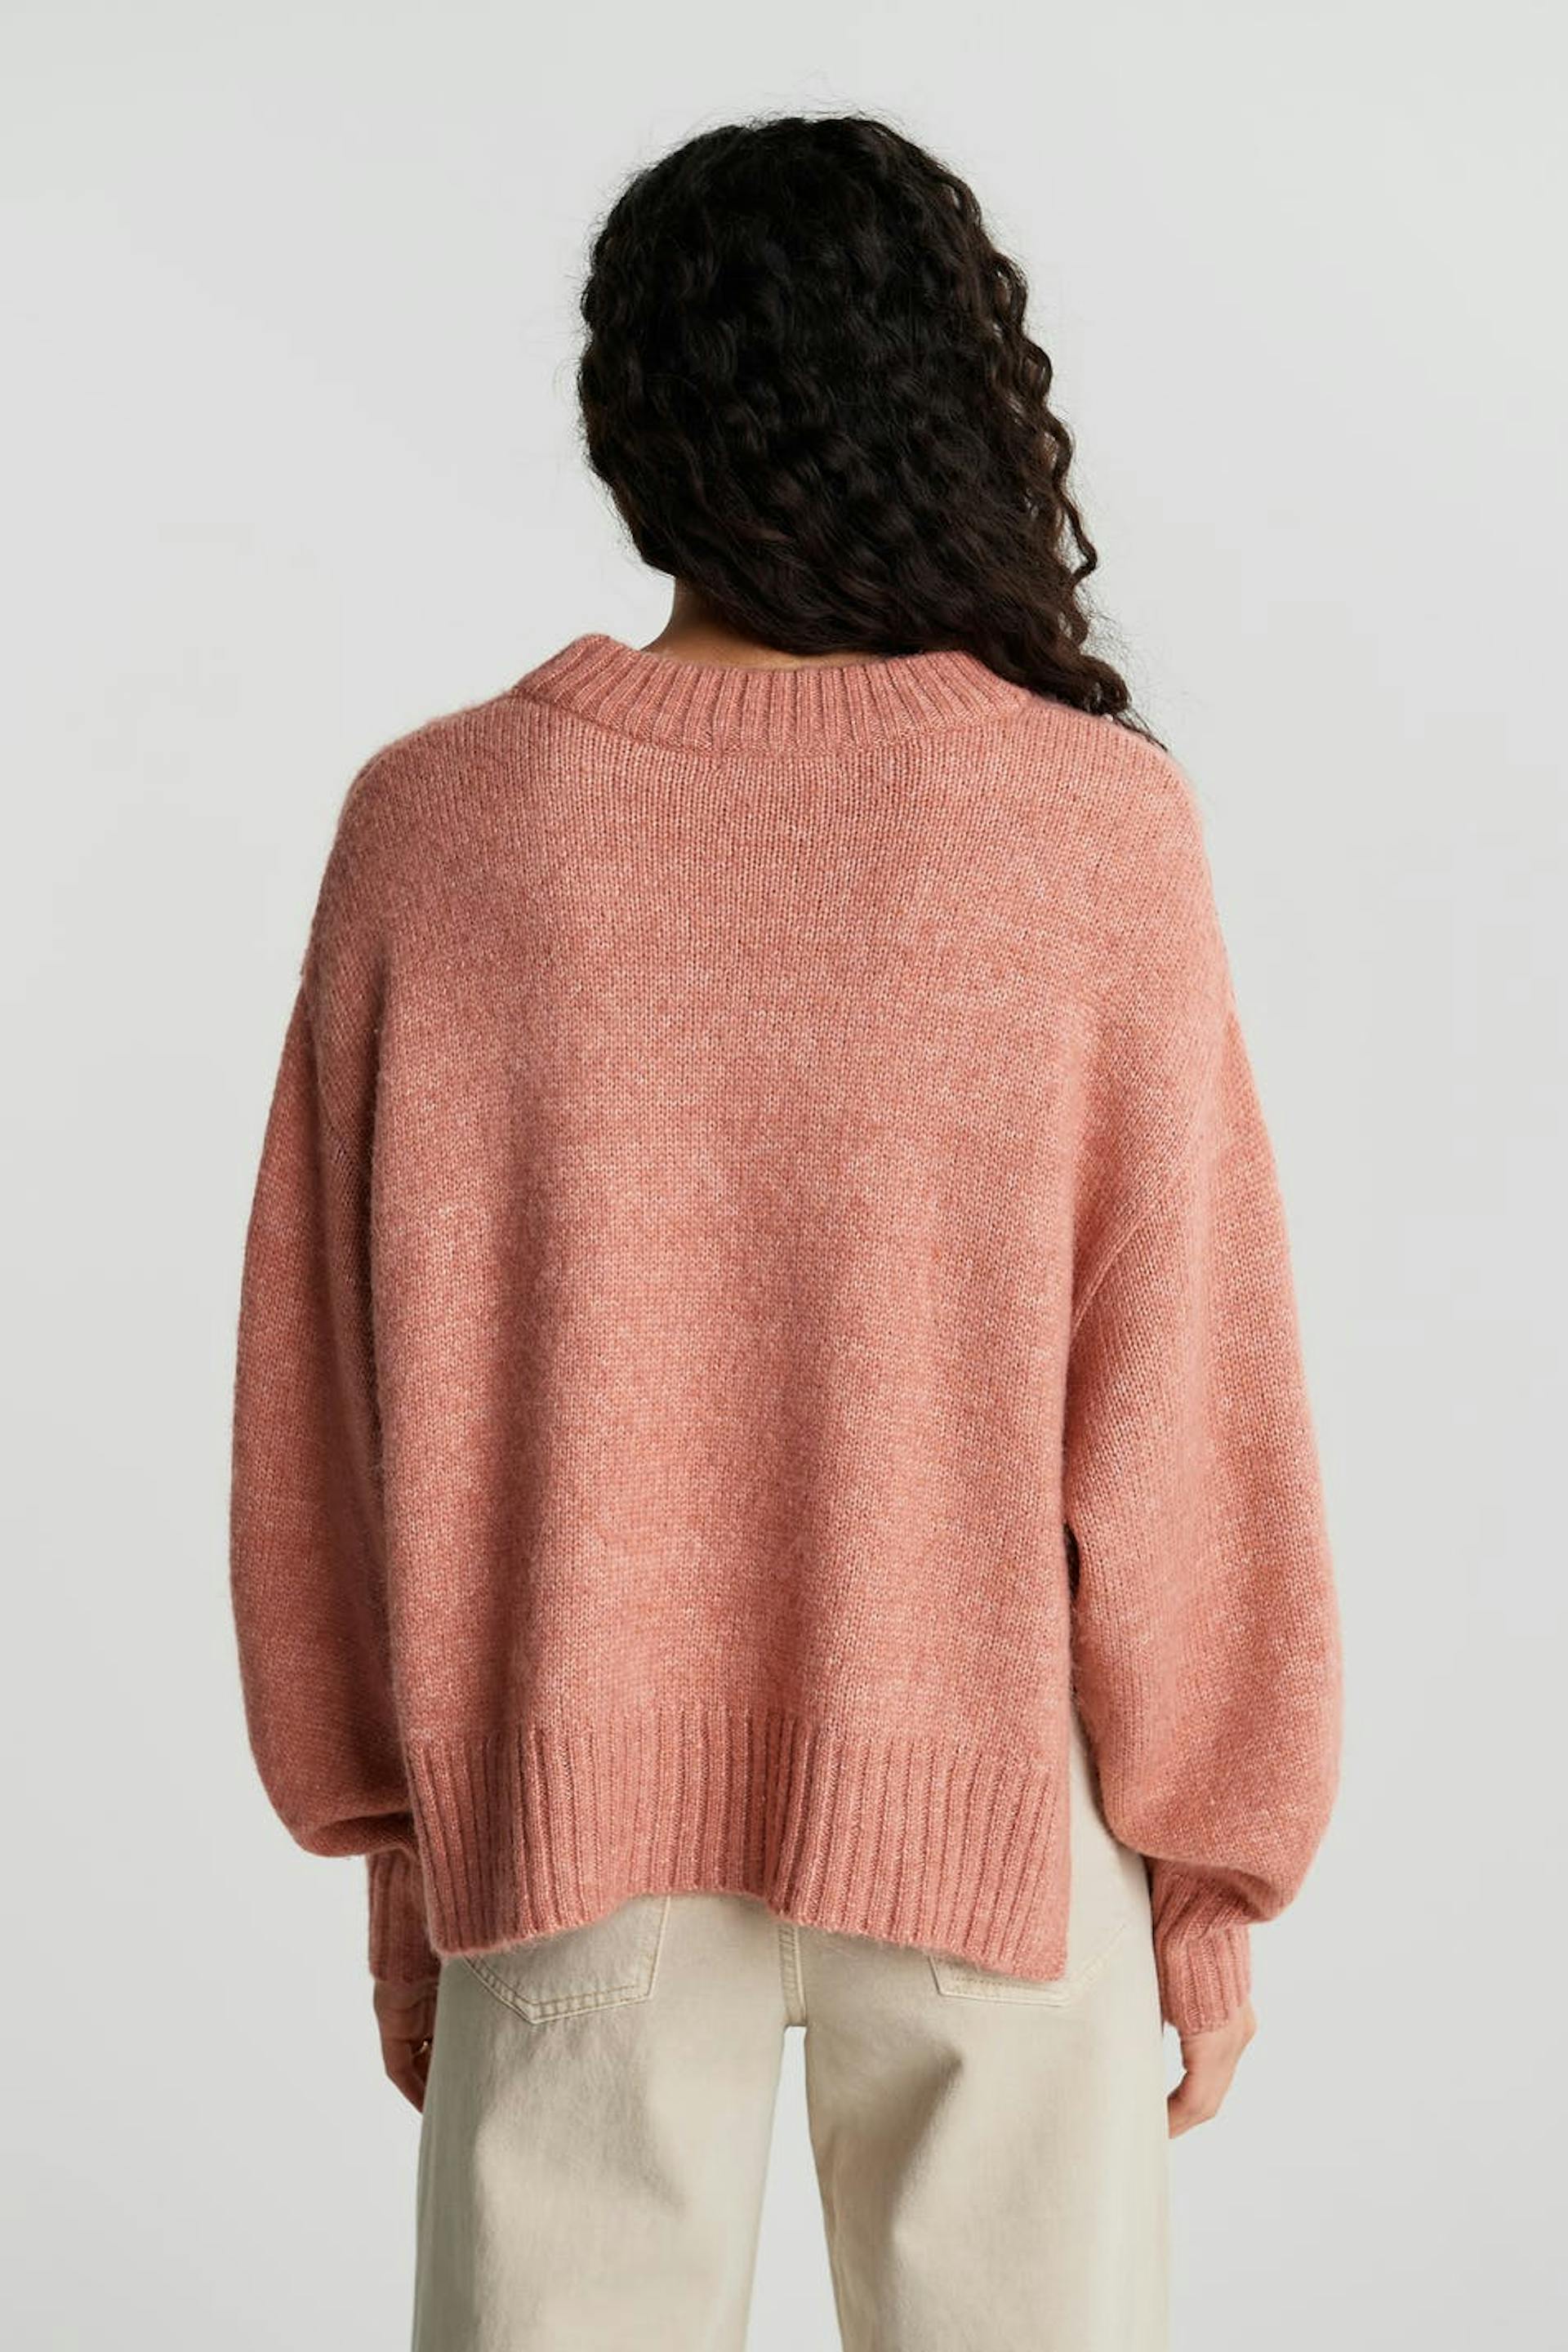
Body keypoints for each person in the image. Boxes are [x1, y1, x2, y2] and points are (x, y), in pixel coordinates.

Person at [229, 111, 1343, 2351]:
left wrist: (404, 1853)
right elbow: (1189, 1402)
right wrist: (1212, 1881)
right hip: (1002, 1820)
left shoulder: (434, 828)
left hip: (568, 1810)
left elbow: (325, 1409)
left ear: (629, 426)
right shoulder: (1090, 828)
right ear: (952, 405)